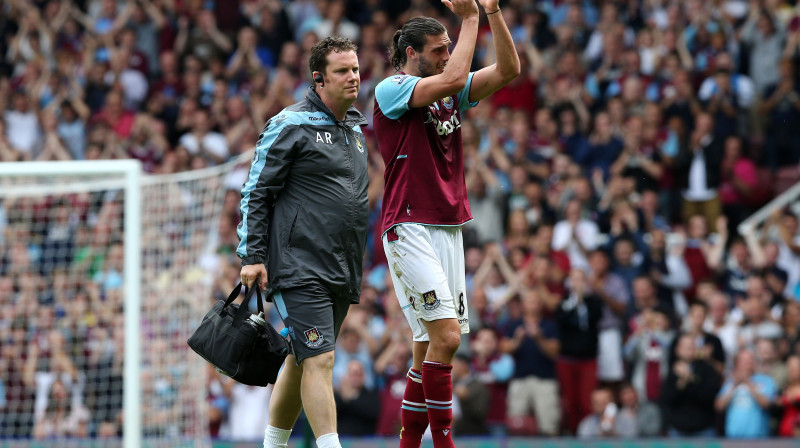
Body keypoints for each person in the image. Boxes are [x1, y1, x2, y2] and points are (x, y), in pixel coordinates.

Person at [373, 0, 520, 446]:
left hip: (448, 225)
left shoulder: (447, 93)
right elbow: (455, 77)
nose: (447, 55)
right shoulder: (391, 88)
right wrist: (470, 17)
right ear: (412, 53)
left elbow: (509, 70)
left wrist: (492, 13)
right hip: (409, 223)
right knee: (449, 337)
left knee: (426, 349)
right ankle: (445, 444)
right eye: (439, 49)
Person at [237, 36, 369, 448]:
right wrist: (253, 255)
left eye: (356, 69)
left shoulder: (354, 127)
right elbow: (256, 190)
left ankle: (273, 446)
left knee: (302, 356)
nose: (354, 77)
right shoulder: (290, 123)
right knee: (321, 359)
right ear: (318, 79)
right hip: (299, 266)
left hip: (342, 265)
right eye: (343, 71)